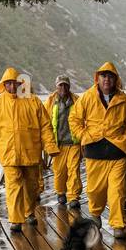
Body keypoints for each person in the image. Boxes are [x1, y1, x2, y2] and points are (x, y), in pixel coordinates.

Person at [69, 61, 126, 239]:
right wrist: (82, 136)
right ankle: (95, 215)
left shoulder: (125, 100)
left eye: (110, 76)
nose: (106, 79)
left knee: (116, 191)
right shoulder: (87, 97)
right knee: (95, 190)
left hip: (117, 152)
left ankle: (118, 225)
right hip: (94, 151)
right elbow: (74, 119)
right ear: (97, 78)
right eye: (103, 76)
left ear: (115, 79)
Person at [0, 67, 57, 232]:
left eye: (13, 83)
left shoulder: (33, 101)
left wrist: (50, 146)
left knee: (31, 186)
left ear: (19, 83)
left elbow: (45, 126)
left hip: (31, 152)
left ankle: (29, 212)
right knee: (13, 186)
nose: (11, 86)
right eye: (7, 83)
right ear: (3, 84)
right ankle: (15, 220)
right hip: (9, 154)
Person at [45, 74, 81, 208]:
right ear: (56, 86)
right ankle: (61, 193)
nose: (63, 87)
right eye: (61, 85)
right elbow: (44, 121)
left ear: (69, 86)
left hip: (74, 142)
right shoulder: (50, 101)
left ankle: (73, 197)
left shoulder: (77, 100)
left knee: (74, 170)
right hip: (57, 143)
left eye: (66, 84)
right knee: (59, 172)